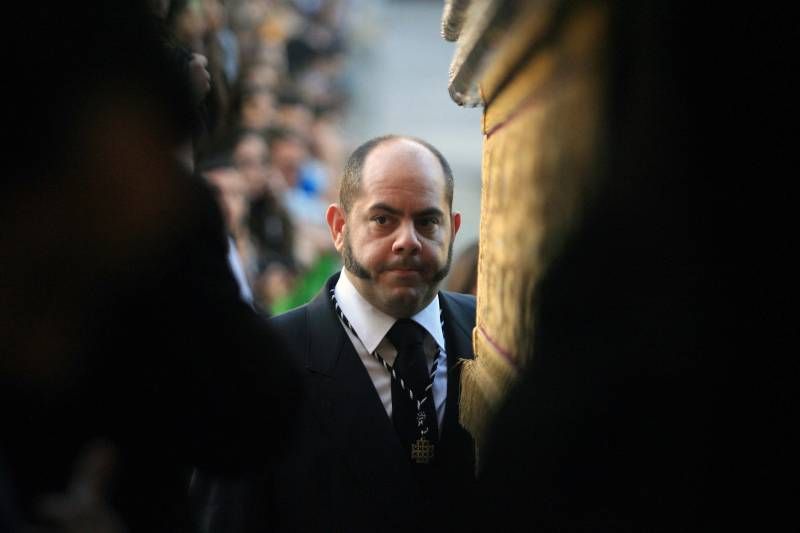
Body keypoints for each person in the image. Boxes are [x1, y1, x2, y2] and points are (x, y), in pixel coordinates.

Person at [264, 134, 478, 532]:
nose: (407, 242)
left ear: (454, 228)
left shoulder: (493, 335)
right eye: (383, 220)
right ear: (339, 227)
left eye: (428, 221)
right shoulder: (268, 359)